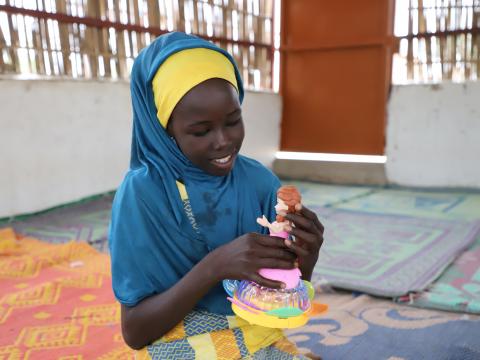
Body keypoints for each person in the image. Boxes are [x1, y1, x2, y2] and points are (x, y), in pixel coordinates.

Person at [109, 31, 324, 359]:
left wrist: (305, 259)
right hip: (178, 340)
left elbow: (280, 299)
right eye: (201, 131)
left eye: (233, 121)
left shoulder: (259, 182)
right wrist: (215, 267)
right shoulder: (143, 194)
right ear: (164, 129)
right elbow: (136, 331)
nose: (223, 141)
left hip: (256, 333)